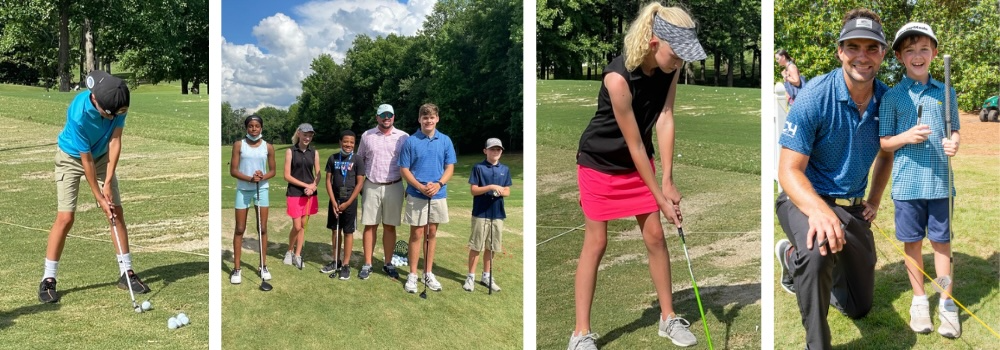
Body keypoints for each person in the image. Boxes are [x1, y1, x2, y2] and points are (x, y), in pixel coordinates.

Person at [567, 3, 706, 348]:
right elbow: (634, 145)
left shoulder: (670, 69)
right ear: (655, 42)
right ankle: (580, 333)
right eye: (677, 54)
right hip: (599, 163)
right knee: (596, 243)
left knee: (656, 237)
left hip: (638, 161)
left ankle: (667, 318)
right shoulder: (617, 78)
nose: (681, 63)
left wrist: (669, 180)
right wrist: (660, 197)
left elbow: (665, 116)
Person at [773, 9, 894, 349]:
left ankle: (792, 260)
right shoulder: (814, 96)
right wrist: (819, 210)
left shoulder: (887, 101)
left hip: (852, 209)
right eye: (853, 46)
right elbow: (788, 170)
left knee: (859, 307)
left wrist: (874, 199)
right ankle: (818, 342)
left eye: (871, 48)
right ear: (840, 51)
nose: (862, 56)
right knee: (816, 250)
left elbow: (886, 153)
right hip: (804, 199)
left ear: (882, 53)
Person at [878, 22, 961, 338]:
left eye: (924, 49)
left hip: (940, 183)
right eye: (909, 50)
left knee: (942, 244)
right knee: (912, 244)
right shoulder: (893, 96)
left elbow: (954, 131)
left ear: (935, 53)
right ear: (899, 56)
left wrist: (955, 142)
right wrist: (906, 136)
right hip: (907, 185)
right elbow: (884, 142)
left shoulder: (945, 91)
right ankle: (919, 301)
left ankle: (946, 302)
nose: (917, 55)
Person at [38, 70, 148, 303]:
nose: (111, 119)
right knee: (66, 218)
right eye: (108, 116)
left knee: (116, 212)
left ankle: (126, 273)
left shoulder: (117, 99)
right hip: (71, 157)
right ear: (95, 101)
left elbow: (116, 140)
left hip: (101, 157)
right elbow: (84, 159)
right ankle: (48, 278)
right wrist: (98, 196)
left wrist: (107, 182)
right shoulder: (78, 113)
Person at [399, 103, 456, 294]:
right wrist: (419, 187)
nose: (428, 120)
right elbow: (404, 169)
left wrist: (439, 184)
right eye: (425, 117)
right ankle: (413, 274)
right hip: (417, 194)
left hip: (438, 193)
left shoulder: (445, 140)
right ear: (419, 119)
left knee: (432, 234)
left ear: (437, 119)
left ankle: (428, 272)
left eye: (432, 117)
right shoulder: (411, 141)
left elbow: (449, 167)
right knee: (416, 234)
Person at [356, 104, 409, 280]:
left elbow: (409, 163)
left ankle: (388, 263)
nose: (387, 118)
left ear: (394, 117)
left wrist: (410, 185)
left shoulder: (403, 137)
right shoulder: (367, 135)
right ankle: (368, 263)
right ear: (377, 117)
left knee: (389, 226)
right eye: (383, 115)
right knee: (370, 225)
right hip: (371, 184)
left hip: (394, 185)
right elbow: (360, 161)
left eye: (390, 115)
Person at [229, 114, 277, 284]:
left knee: (262, 228)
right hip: (243, 190)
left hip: (261, 189)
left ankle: (263, 265)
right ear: (246, 128)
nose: (254, 129)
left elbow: (272, 171)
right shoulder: (239, 145)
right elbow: (233, 170)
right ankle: (236, 269)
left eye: (257, 126)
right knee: (240, 228)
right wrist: (250, 178)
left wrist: (261, 176)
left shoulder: (268, 147)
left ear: (261, 128)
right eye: (251, 126)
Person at [463, 138, 512, 293]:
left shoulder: (505, 169)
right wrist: (490, 187)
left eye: (498, 150)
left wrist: (502, 191)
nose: (495, 152)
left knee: (492, 247)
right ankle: (470, 276)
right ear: (485, 151)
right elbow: (474, 190)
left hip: (497, 213)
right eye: (492, 149)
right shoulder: (478, 168)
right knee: (476, 245)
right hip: (480, 212)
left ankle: (486, 276)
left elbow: (508, 191)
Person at [321, 130, 365, 280]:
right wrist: (334, 202)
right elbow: (328, 181)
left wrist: (348, 202)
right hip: (335, 200)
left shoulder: (358, 160)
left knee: (348, 232)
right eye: (346, 141)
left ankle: (345, 264)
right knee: (335, 230)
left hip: (349, 202)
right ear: (340, 142)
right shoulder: (333, 158)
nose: (348, 145)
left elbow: (360, 183)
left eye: (352, 142)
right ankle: (336, 261)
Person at [283, 123, 321, 270]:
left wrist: (313, 186)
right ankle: (289, 250)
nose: (307, 138)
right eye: (305, 134)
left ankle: (297, 255)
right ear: (299, 134)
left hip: (310, 194)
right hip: (294, 193)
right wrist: (305, 186)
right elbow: (287, 176)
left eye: (310, 135)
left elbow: (318, 175)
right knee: (297, 226)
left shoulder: (314, 152)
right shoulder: (290, 151)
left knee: (303, 226)